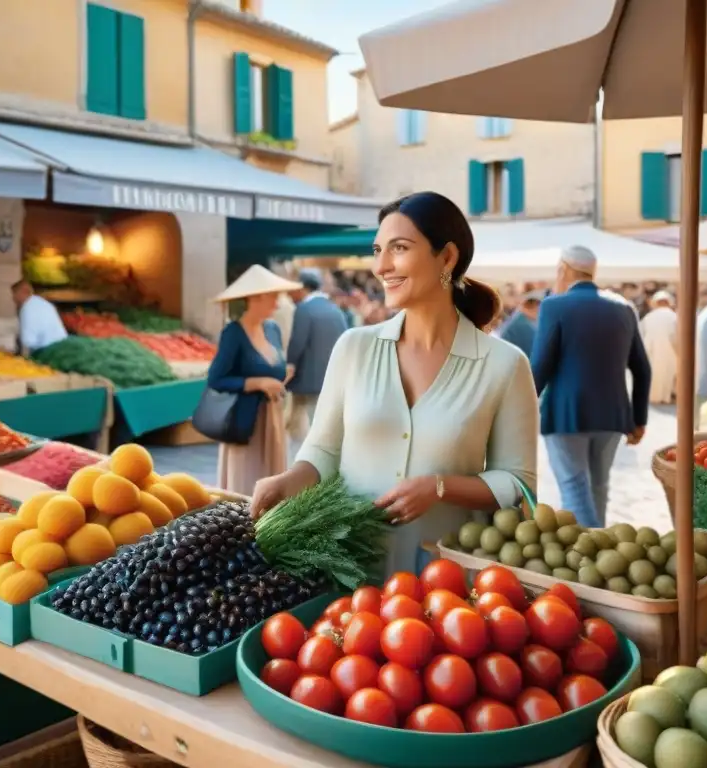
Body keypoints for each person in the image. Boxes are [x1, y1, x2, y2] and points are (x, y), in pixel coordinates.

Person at [250, 191, 539, 575]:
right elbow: (323, 452)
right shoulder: (354, 348)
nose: (381, 266)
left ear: (447, 257)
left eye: (399, 248)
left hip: (445, 581)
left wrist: (439, 487)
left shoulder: (504, 365)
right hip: (347, 572)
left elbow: (518, 484)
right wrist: (287, 480)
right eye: (377, 250)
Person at [530, 246, 651, 529]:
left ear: (562, 269)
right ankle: (600, 552)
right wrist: (640, 419)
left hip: (566, 414)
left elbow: (539, 369)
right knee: (598, 488)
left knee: (574, 489)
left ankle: (589, 562)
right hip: (613, 417)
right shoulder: (624, 309)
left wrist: (518, 408)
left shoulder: (553, 306)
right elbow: (642, 369)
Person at [205, 265, 302, 495]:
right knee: (246, 484)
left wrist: (282, 374)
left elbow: (272, 368)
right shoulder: (234, 333)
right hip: (245, 421)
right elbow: (216, 379)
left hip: (273, 417)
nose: (278, 303)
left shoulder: (272, 329)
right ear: (255, 298)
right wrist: (256, 383)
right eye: (273, 296)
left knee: (273, 480)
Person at [286, 269, 349, 443]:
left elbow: (297, 342)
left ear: (302, 287)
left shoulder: (304, 310)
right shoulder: (336, 310)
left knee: (304, 430)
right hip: (333, 380)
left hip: (307, 381)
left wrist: (289, 365)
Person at [640, 291, 678, 404]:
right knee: (668, 376)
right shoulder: (674, 317)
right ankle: (666, 397)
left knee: (654, 378)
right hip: (670, 354)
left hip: (651, 354)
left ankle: (654, 397)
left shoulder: (648, 317)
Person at [10, 280, 68, 355]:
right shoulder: (43, 303)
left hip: (48, 352)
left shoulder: (27, 308)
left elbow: (27, 341)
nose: (13, 298)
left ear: (23, 292)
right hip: (62, 347)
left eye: (14, 293)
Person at [494, 290, 542, 359]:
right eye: (539, 308)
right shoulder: (523, 324)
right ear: (534, 306)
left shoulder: (519, 318)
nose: (540, 313)